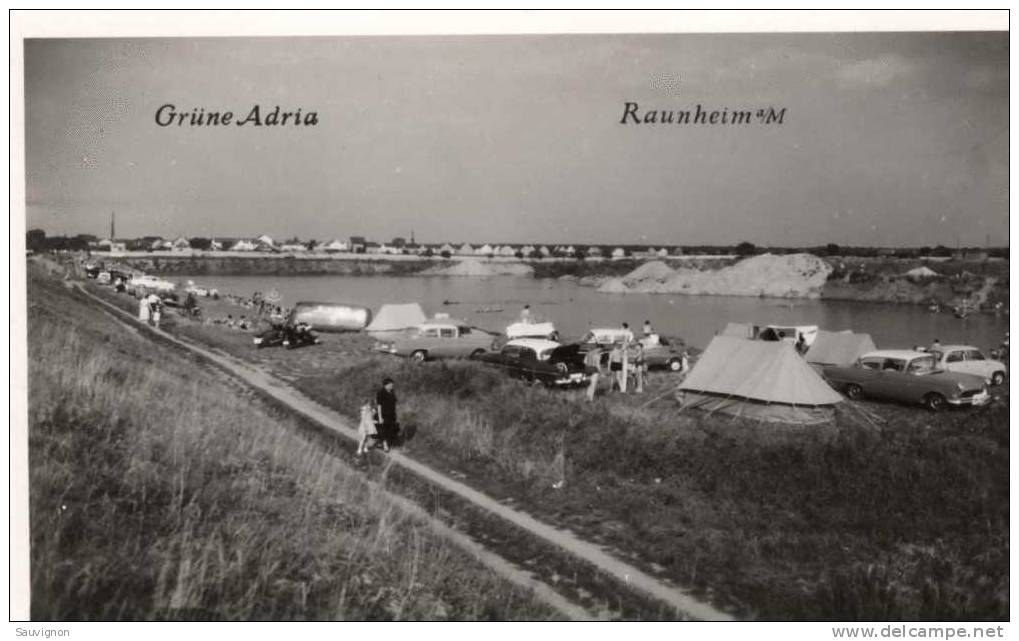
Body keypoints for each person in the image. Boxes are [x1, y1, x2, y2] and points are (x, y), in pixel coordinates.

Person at [375, 378, 399, 453]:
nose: (392, 386)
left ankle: (382, 443)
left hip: (391, 415)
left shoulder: (392, 392)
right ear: (386, 385)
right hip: (383, 414)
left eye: (392, 385)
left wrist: (395, 413)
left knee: (390, 429)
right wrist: (380, 417)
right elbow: (379, 406)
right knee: (382, 429)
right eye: (391, 385)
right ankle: (385, 445)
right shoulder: (381, 393)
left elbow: (394, 403)